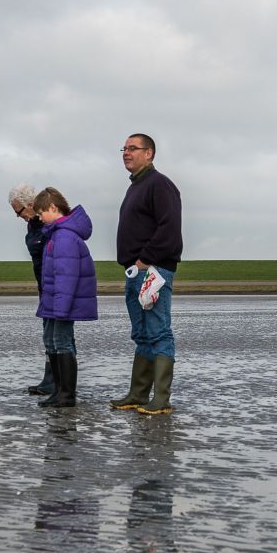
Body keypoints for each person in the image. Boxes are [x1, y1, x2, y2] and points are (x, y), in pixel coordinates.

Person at [108, 133, 182, 415]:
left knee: (159, 331)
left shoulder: (160, 184)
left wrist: (144, 261)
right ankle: (138, 393)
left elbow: (169, 228)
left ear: (149, 153)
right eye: (124, 149)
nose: (126, 153)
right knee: (141, 333)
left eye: (133, 148)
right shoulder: (136, 186)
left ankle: (161, 398)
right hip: (133, 271)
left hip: (154, 270)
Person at [33, 187, 97, 408]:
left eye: (41, 213)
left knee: (61, 342)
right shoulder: (57, 235)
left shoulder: (65, 237)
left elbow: (66, 276)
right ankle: (58, 390)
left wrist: (61, 308)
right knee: (51, 340)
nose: (40, 218)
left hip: (62, 303)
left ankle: (66, 395)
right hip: (54, 301)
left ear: (53, 208)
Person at [9, 183, 56, 397]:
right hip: (44, 286)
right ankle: (51, 379)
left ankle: (59, 382)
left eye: (19, 211)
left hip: (54, 286)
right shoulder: (34, 225)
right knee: (49, 334)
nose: (18, 216)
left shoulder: (48, 225)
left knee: (57, 335)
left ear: (30, 204)